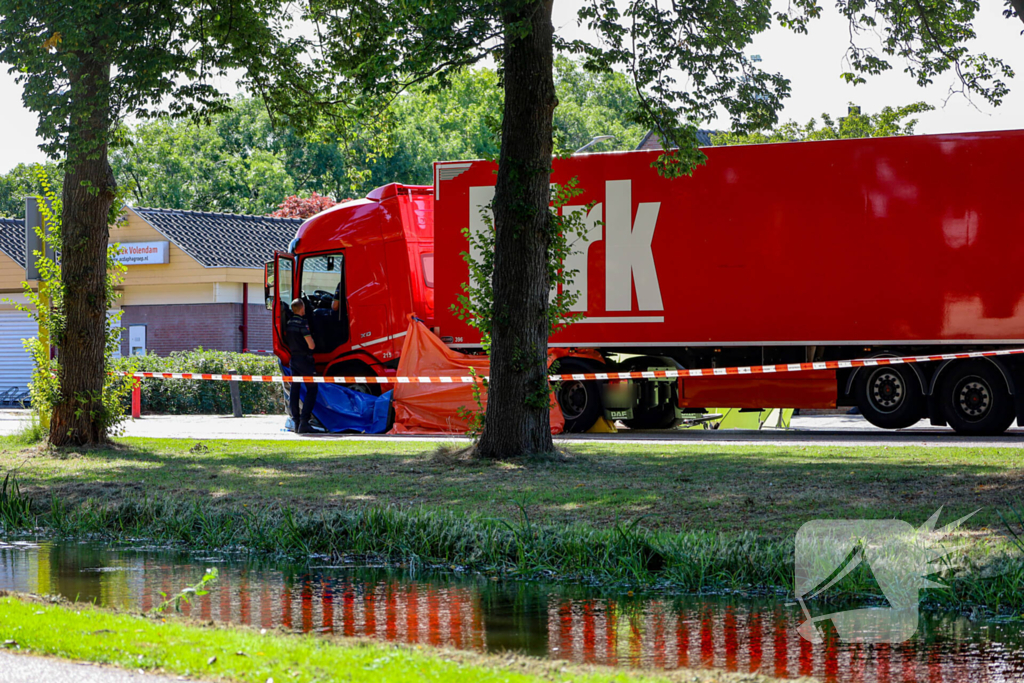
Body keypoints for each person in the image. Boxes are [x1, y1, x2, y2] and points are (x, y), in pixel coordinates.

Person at [285, 298, 318, 434]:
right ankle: (304, 422)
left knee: (295, 389)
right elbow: (311, 344)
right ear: (302, 308)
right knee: (312, 389)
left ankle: (296, 421)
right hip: (305, 360)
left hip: (294, 359)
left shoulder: (288, 323)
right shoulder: (302, 323)